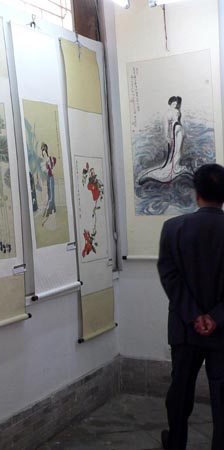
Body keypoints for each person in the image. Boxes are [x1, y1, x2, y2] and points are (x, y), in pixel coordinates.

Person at [157, 163, 224, 450]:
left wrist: (194, 315)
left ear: (196, 192)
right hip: (223, 331)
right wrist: (216, 317)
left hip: (185, 329)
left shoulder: (173, 228)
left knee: (180, 393)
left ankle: (176, 443)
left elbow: (169, 276)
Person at [139, 95, 190, 185]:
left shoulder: (177, 111)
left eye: (176, 104)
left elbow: (178, 120)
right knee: (175, 151)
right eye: (173, 103)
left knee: (179, 150)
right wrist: (167, 137)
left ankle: (177, 166)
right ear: (170, 103)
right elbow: (166, 126)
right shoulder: (167, 114)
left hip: (179, 130)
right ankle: (172, 169)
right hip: (173, 131)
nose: (175, 105)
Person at [41, 143, 56, 226]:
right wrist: (46, 165)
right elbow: (44, 170)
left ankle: (50, 211)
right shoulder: (43, 161)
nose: (43, 150)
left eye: (44, 149)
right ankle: (51, 210)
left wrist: (49, 164)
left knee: (51, 195)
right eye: (42, 149)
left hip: (51, 177)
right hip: (47, 177)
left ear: (46, 149)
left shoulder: (50, 158)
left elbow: (52, 166)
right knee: (49, 194)